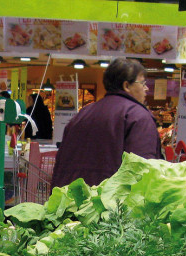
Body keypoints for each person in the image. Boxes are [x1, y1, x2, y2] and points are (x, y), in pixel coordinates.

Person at [51, 58, 162, 188]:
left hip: (71, 200)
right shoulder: (138, 116)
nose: (146, 88)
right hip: (112, 204)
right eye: (143, 83)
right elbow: (141, 170)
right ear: (126, 86)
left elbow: (61, 165)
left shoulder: (82, 114)